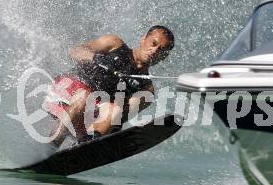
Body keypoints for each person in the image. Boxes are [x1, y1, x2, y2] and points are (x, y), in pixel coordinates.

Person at [45, 25, 175, 147]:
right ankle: (50, 147)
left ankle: (84, 146)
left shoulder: (146, 89)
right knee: (84, 97)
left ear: (164, 57)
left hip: (92, 113)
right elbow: (75, 51)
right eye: (153, 44)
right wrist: (95, 58)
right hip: (67, 92)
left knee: (115, 110)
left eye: (161, 50)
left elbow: (120, 116)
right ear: (143, 39)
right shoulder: (115, 44)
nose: (155, 50)